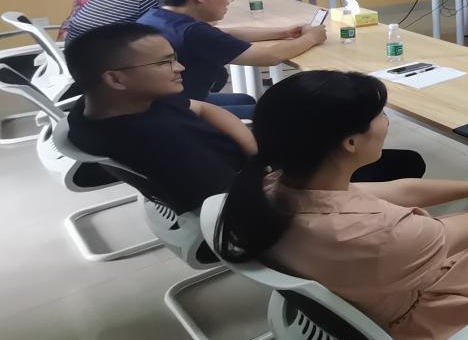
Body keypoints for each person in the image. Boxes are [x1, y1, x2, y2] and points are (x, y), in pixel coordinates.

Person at [213, 70, 468, 340]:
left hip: (363, 295)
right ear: (350, 142)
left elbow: (401, 191)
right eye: (379, 115)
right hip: (414, 327)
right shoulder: (380, 233)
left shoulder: (274, 187)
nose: (386, 121)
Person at [64, 24, 424, 214]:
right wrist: (276, 172)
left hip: (257, 170)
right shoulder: (159, 142)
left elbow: (204, 108)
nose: (180, 68)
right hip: (259, 200)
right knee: (404, 162)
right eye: (164, 63)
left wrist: (256, 152)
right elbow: (240, 202)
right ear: (115, 78)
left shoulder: (112, 104)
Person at [138, 0, 327, 119]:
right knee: (279, 115)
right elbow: (269, 57)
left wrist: (284, 32)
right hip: (175, 111)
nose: (229, 1)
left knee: (244, 99)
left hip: (157, 101)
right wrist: (312, 37)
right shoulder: (193, 32)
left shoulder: (157, 16)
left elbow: (224, 33)